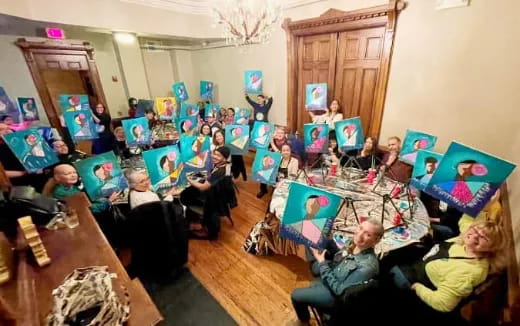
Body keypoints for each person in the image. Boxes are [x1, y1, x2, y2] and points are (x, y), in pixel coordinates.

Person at [387, 208, 505, 324]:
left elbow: (444, 304)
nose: (475, 235)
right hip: (421, 263)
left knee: (385, 261)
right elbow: (467, 221)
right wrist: (483, 205)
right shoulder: (466, 241)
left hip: (416, 281)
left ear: (492, 248)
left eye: (484, 237)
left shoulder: (468, 271)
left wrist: (417, 288)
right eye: (476, 230)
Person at [289, 219, 384, 325]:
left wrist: (322, 263)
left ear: (376, 241)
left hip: (335, 297)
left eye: (368, 235)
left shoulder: (367, 267)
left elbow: (340, 291)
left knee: (296, 295)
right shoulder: (354, 243)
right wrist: (327, 240)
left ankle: (304, 321)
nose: (360, 235)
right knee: (311, 235)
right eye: (360, 228)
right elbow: (339, 255)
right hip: (335, 273)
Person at [51, 163, 119, 213]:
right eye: (67, 174)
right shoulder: (61, 192)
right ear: (57, 177)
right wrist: (108, 201)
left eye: (74, 172)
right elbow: (90, 209)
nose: (73, 175)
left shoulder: (71, 186)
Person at [0, 123, 45, 190]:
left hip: (39, 178)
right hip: (17, 184)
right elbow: (2, 173)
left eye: (8, 128)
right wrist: (23, 173)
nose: (7, 131)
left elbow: (41, 157)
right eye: (1, 129)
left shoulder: (22, 141)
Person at [257, 126, 288, 198]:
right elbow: (261, 147)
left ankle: (277, 190)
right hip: (270, 162)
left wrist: (272, 143)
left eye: (281, 132)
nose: (279, 134)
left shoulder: (287, 142)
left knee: (278, 177)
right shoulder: (271, 140)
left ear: (285, 134)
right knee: (263, 171)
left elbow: (281, 155)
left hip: (282, 163)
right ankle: (263, 190)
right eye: (277, 132)